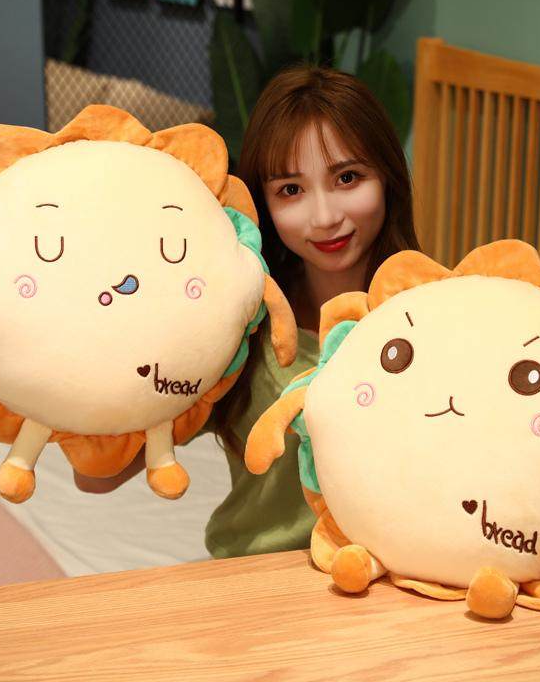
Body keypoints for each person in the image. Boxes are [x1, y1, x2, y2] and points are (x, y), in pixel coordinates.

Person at [75, 65, 420, 559]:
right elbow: (97, 476)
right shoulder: (237, 323)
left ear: (387, 177)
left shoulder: (435, 318)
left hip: (392, 584)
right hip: (253, 581)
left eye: (347, 178)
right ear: (263, 203)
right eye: (291, 190)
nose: (325, 217)